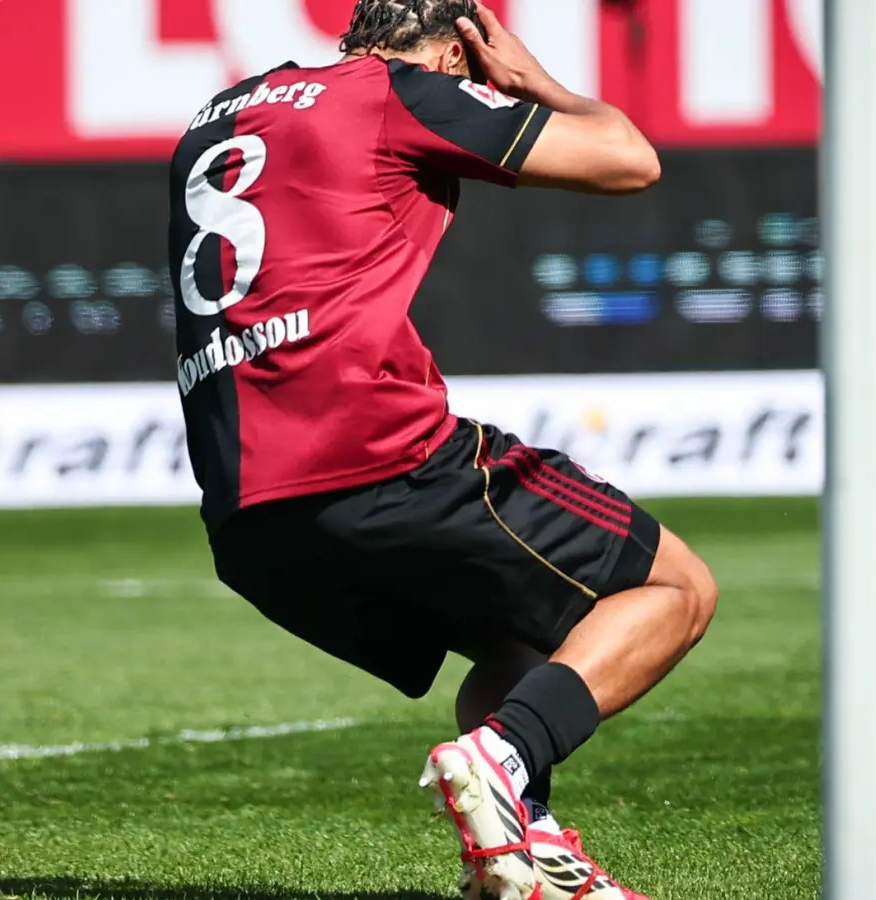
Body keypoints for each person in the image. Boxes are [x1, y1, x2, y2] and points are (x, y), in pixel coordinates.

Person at [165, 2, 718, 898]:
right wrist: (538, 86)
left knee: (519, 636)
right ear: (463, 45)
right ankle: (503, 760)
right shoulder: (402, 91)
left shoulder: (223, 110)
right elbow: (629, 159)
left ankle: (526, 856)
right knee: (675, 589)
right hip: (379, 455)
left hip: (247, 512)